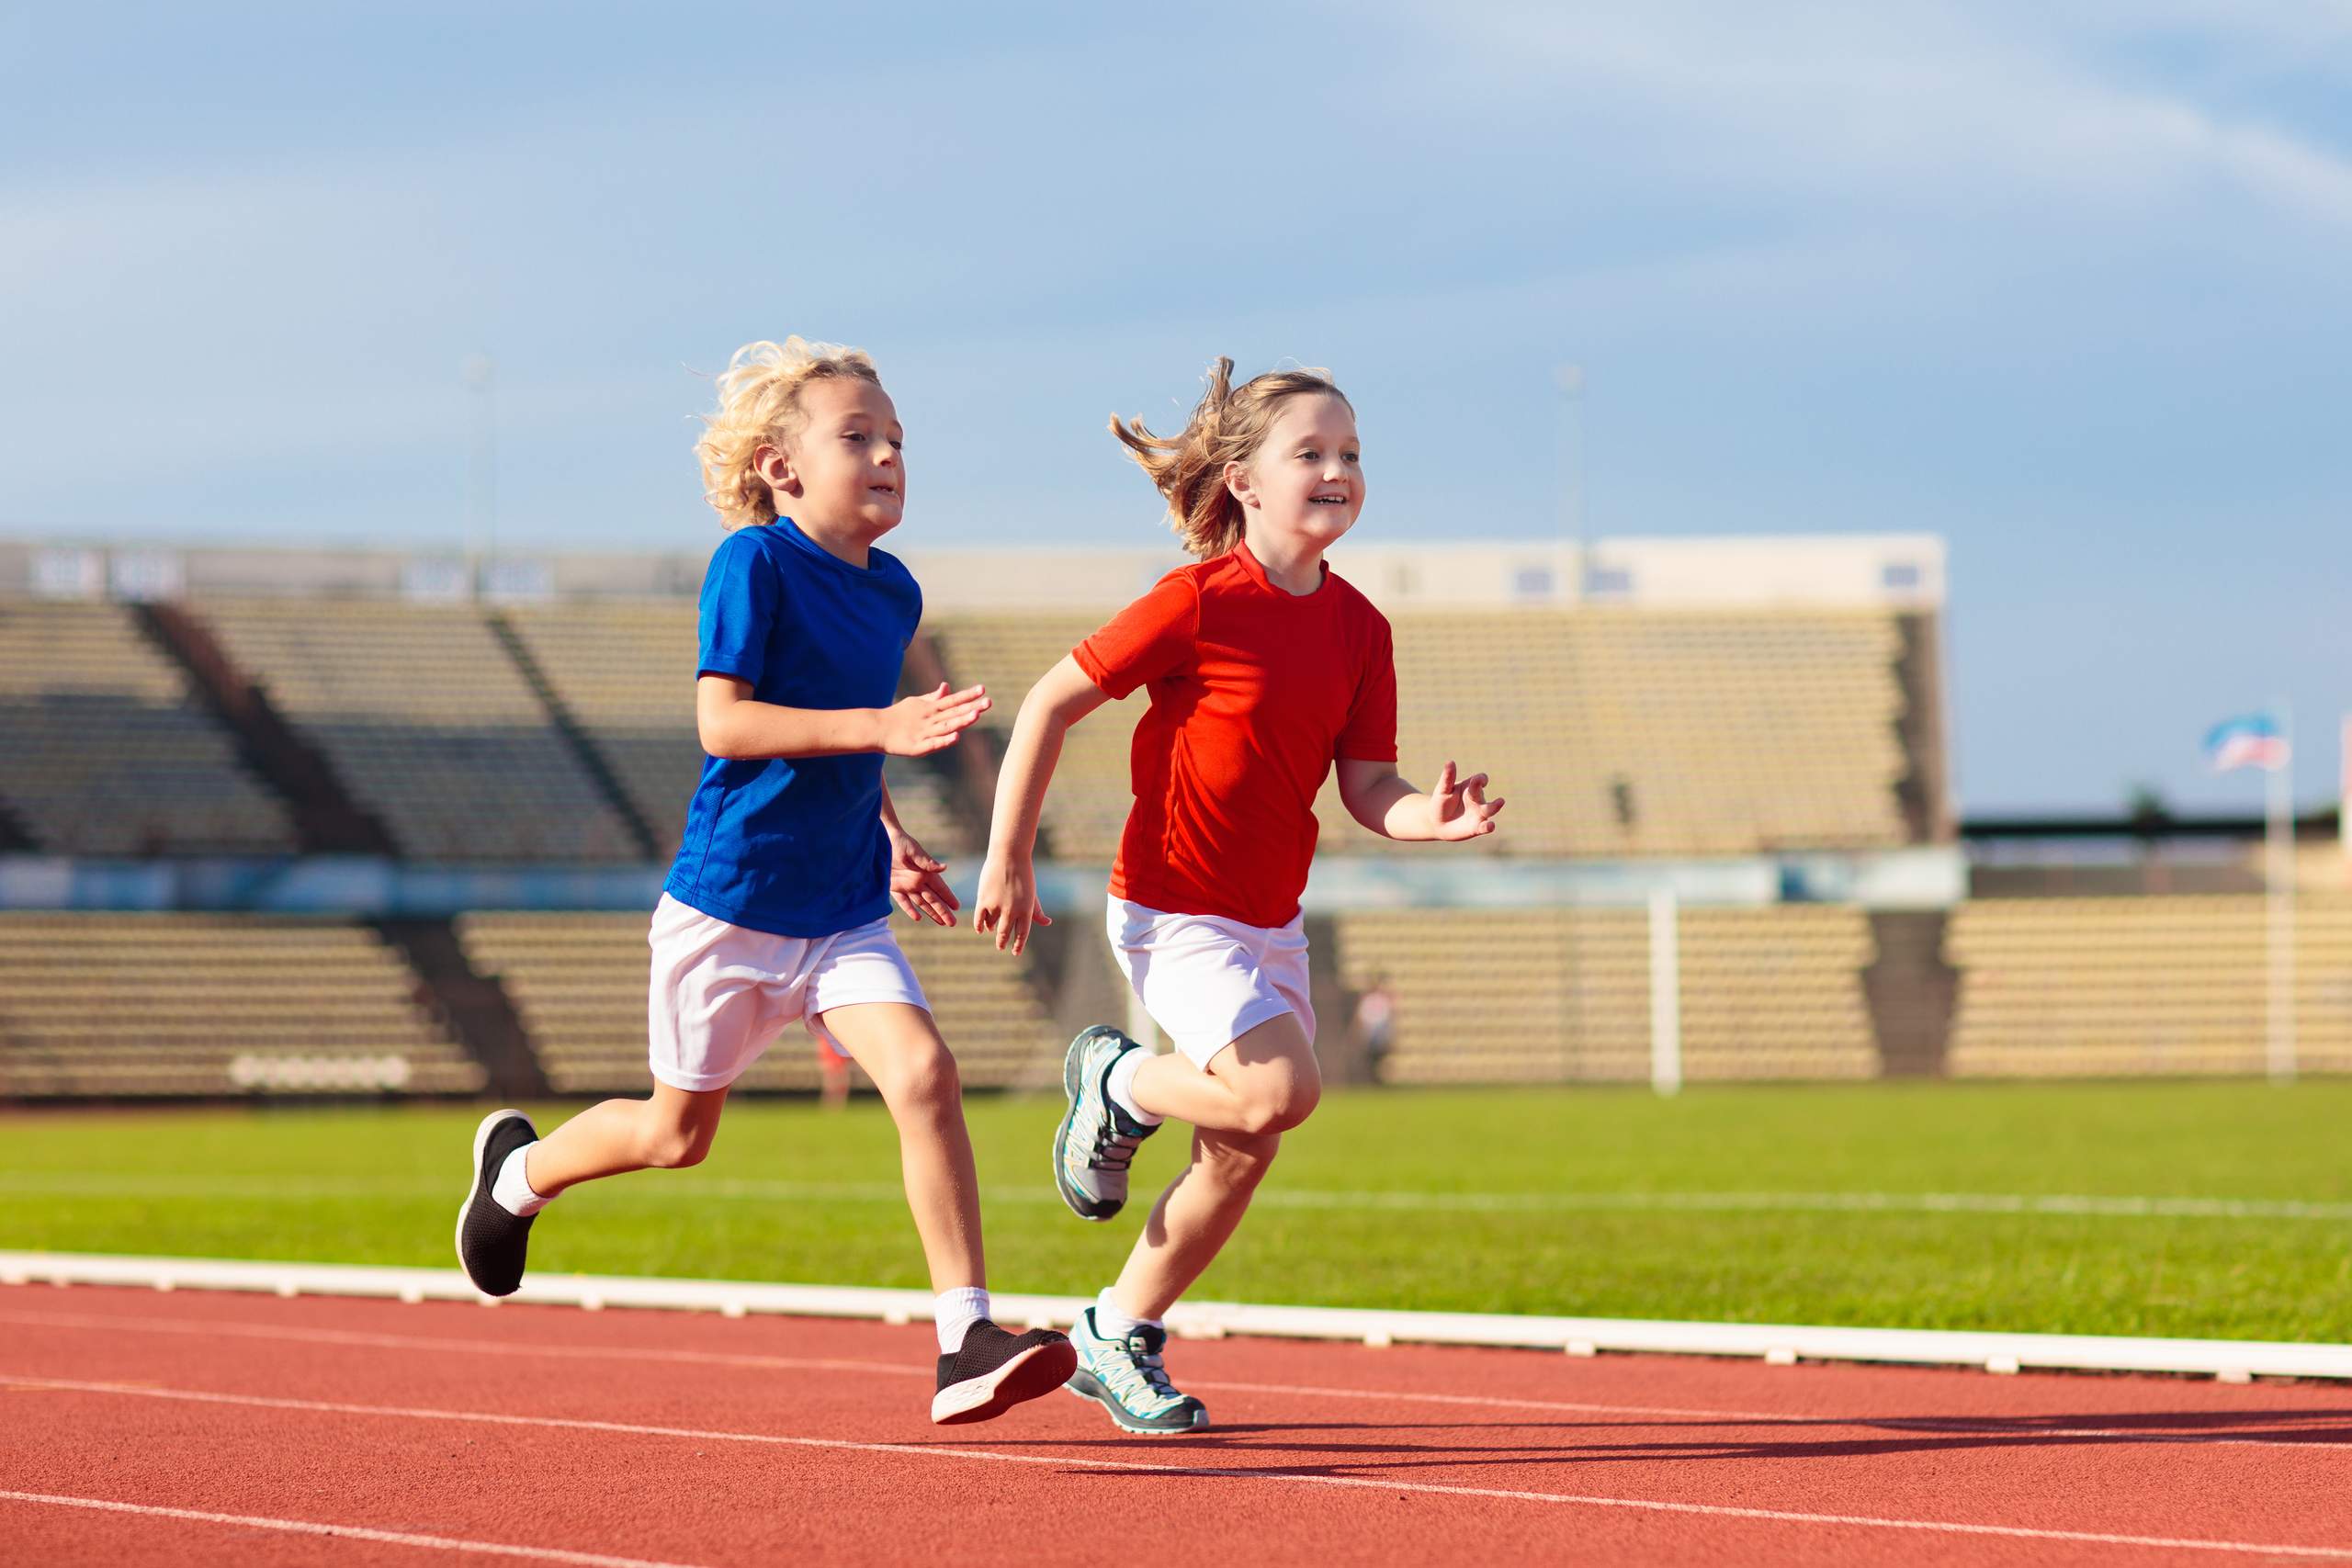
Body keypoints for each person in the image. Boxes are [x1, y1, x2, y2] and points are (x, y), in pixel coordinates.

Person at [456, 337, 1074, 1426]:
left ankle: (963, 1337)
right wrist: (882, 727)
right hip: (729, 905)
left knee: (925, 1074)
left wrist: (885, 834)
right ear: (782, 468)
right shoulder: (755, 564)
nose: (887, 456)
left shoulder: (893, 594)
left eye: (897, 441)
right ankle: (515, 1179)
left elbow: (843, 743)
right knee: (673, 1137)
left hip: (841, 909)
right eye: (857, 438)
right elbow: (725, 721)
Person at [973, 358, 1503, 1433]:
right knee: (1276, 1096)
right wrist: (1008, 854)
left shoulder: (1361, 629)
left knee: (1244, 1147)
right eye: (1309, 452)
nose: (1337, 470)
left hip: (1270, 919)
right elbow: (1048, 701)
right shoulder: (1197, 603)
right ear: (1244, 482)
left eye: (1351, 454)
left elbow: (1367, 786)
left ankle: (1113, 1333)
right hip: (1172, 906)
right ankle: (1121, 1084)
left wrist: (1426, 819)